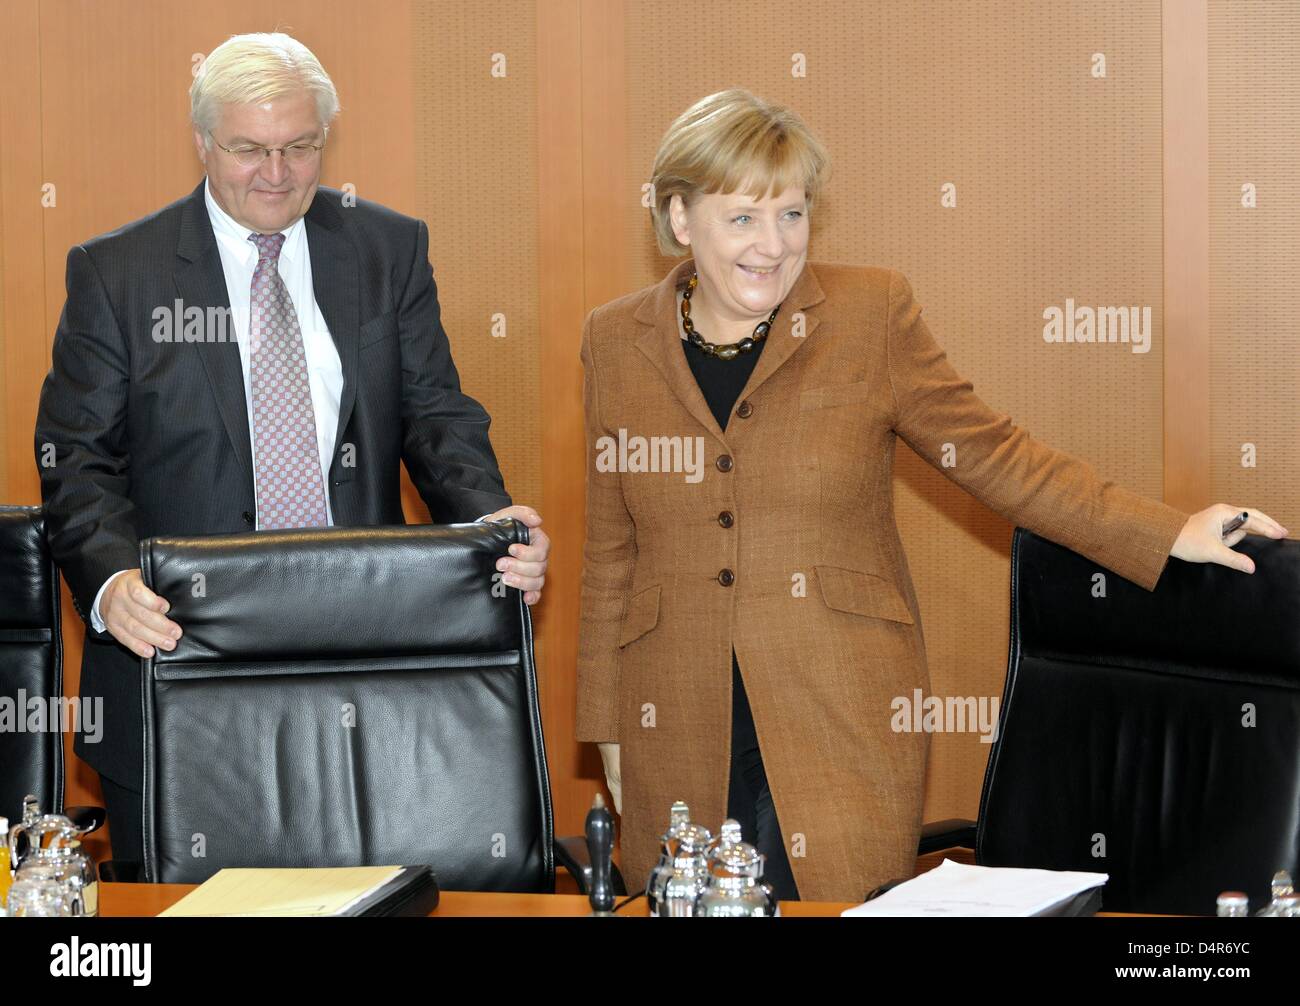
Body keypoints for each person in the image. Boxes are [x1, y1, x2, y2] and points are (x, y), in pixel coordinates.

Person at [574, 88, 1288, 904]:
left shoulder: (869, 315)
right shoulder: (614, 340)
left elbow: (995, 454)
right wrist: (610, 738)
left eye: (793, 215)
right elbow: (610, 552)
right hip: (672, 709)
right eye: (742, 218)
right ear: (678, 218)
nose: (773, 246)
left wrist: (1163, 532)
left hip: (838, 703)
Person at [34, 33, 550, 863]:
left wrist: (490, 524)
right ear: (203, 142)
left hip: (359, 662)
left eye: (299, 147)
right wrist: (112, 579)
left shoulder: (387, 249)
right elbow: (78, 460)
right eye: (248, 149)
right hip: (182, 660)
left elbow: (436, 418)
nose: (276, 173)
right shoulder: (116, 272)